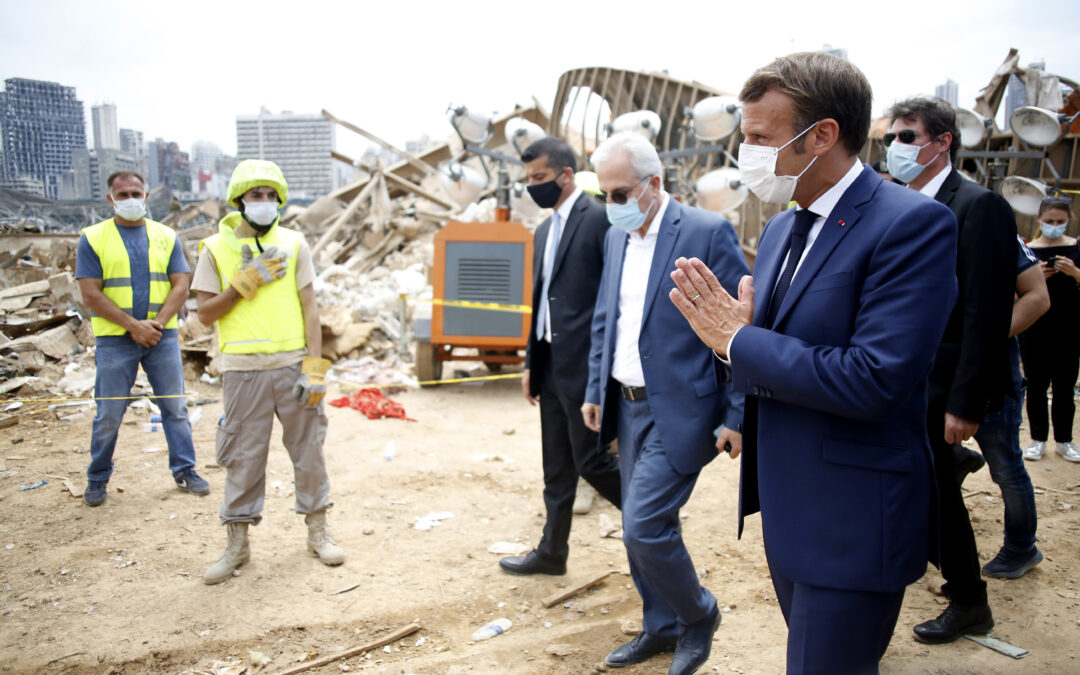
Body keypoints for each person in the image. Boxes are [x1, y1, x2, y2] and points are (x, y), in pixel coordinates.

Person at [669, 53, 957, 673]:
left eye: (758, 139)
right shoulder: (780, 229)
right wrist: (732, 344)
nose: (745, 154)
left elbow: (875, 379)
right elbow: (768, 359)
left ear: (821, 135)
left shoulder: (912, 225)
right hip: (790, 509)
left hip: (852, 520)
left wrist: (739, 340)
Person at [582, 132, 748, 675]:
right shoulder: (616, 238)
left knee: (644, 524)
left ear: (654, 184)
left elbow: (740, 331)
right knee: (642, 527)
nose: (612, 204)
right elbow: (608, 319)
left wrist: (737, 413)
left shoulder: (705, 231)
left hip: (680, 409)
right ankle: (660, 626)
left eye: (621, 192)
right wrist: (594, 389)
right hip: (624, 407)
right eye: (604, 193)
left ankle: (699, 615)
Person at [885, 96, 1022, 643]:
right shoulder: (898, 203)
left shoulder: (977, 206)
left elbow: (985, 315)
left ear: (942, 142)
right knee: (913, 485)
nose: (894, 148)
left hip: (943, 385)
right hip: (900, 379)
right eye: (891, 138)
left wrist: (965, 403)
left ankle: (968, 600)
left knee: (938, 493)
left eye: (906, 137)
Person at [192, 160, 343, 585]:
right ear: (238, 201)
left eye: (270, 195)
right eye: (255, 195)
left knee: (309, 451)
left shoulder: (295, 243)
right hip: (243, 373)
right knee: (243, 457)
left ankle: (318, 532)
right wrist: (245, 282)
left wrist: (314, 368)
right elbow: (205, 315)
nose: (264, 203)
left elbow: (311, 307)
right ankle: (237, 545)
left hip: (293, 366)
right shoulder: (213, 249)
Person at [498, 137, 621, 576]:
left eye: (540, 178)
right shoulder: (545, 229)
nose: (533, 186)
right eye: (528, 179)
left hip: (586, 366)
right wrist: (532, 362)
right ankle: (552, 552)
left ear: (566, 176)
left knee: (592, 460)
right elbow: (542, 300)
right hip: (550, 362)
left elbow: (613, 297)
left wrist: (602, 371)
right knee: (556, 465)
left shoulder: (600, 219)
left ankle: (651, 520)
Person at [75, 171, 208, 507]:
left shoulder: (166, 236)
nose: (131, 199)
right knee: (108, 413)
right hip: (115, 340)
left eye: (136, 192)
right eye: (123, 195)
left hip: (160, 338)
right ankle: (97, 477)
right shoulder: (93, 238)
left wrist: (157, 325)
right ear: (111, 199)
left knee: (174, 407)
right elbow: (90, 293)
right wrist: (133, 326)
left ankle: (186, 470)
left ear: (146, 195)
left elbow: (181, 284)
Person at [962, 236, 1047, 579]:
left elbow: (1038, 297)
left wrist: (980, 339)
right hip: (933, 373)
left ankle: (1022, 546)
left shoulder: (994, 231)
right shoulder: (911, 220)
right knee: (926, 459)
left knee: (1006, 467)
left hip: (990, 375)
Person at [1019, 196, 1080, 463]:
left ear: (1069, 221)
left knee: (1065, 387)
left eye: (1060, 222)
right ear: (1039, 220)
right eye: (1050, 221)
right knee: (1035, 386)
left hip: (1068, 328)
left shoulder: (1076, 248)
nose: (1054, 226)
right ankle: (1037, 439)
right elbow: (1013, 291)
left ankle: (1065, 440)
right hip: (1035, 328)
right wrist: (1037, 278)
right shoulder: (1028, 249)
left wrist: (1075, 272)